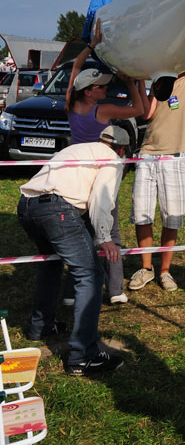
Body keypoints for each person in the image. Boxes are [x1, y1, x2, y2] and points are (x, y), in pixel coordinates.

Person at [17, 125, 130, 377]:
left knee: (51, 262)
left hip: (26, 205)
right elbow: (100, 198)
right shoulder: (111, 159)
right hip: (57, 209)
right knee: (90, 275)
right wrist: (104, 237)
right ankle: (83, 355)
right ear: (121, 150)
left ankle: (40, 326)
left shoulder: (78, 149)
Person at [128, 46, 185, 293]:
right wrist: (142, 82)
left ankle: (165, 271)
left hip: (176, 157)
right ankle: (147, 268)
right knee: (142, 213)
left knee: (172, 217)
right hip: (147, 154)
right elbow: (147, 113)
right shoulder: (161, 79)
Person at [66, 65, 148, 304]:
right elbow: (140, 110)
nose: (105, 88)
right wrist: (131, 83)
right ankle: (114, 290)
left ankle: (72, 292)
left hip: (78, 177)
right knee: (111, 233)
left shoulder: (71, 107)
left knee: (79, 235)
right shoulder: (102, 111)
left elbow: (73, 74)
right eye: (100, 86)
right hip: (103, 177)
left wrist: (89, 46)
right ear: (89, 92)